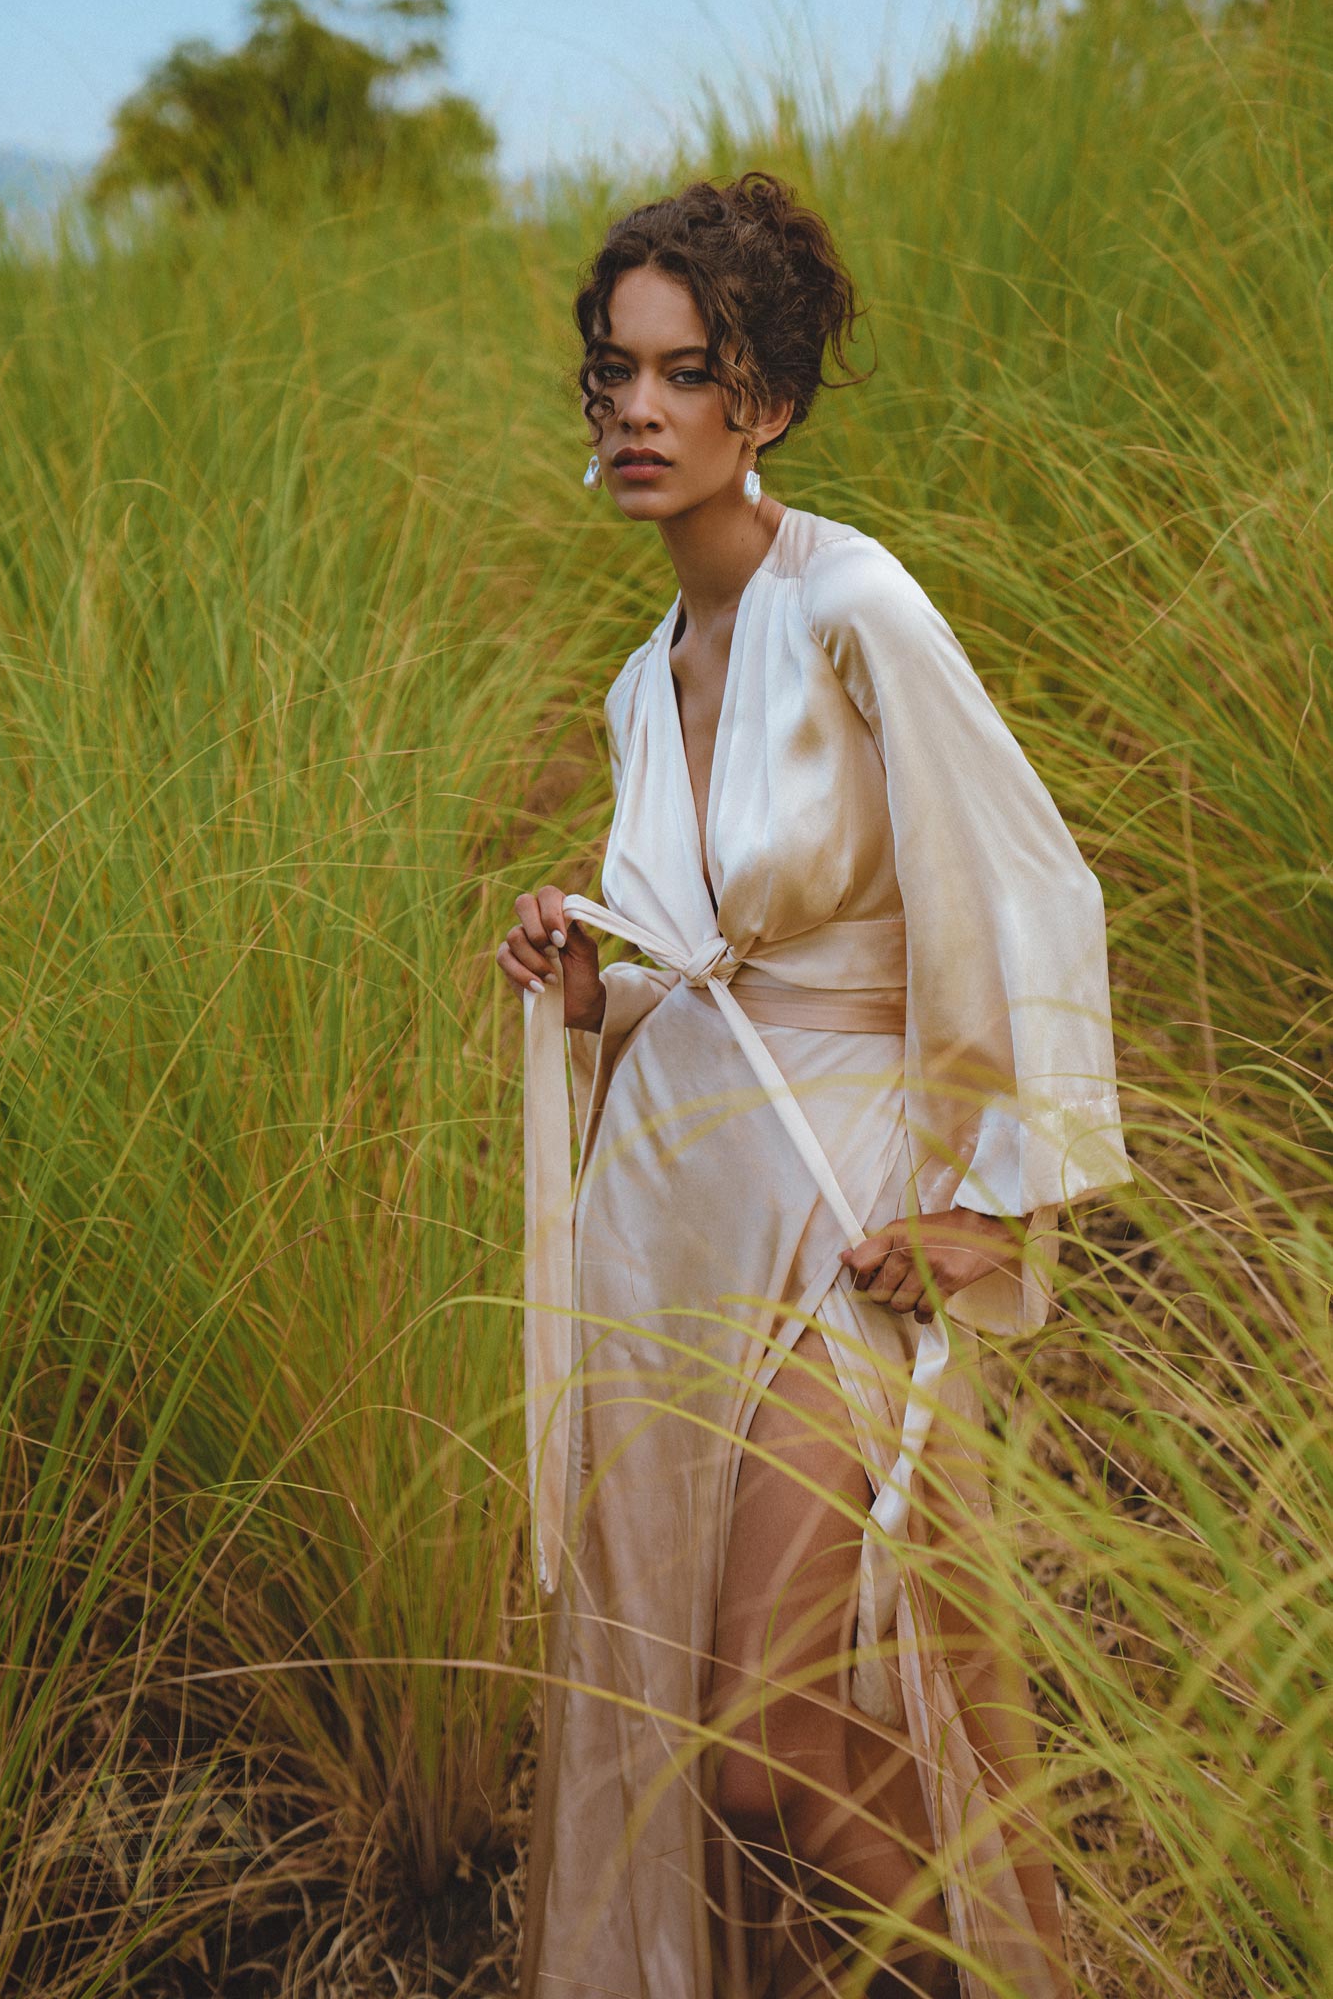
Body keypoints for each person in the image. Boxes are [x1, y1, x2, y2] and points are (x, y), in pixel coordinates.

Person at [496, 171, 1132, 1999]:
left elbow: (1024, 885)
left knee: (772, 1713)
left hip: (843, 1200)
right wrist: (587, 978)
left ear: (761, 402)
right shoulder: (641, 681)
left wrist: (985, 1199)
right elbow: (711, 984)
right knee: (702, 1715)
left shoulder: (854, 601)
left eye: (680, 374)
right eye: (610, 375)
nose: (633, 411)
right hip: (674, 1202)